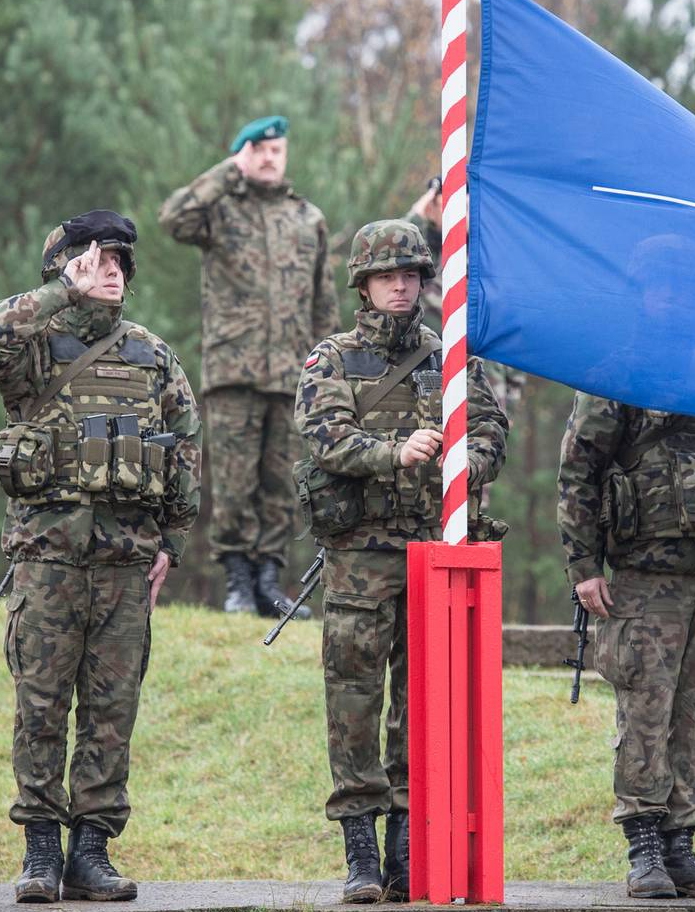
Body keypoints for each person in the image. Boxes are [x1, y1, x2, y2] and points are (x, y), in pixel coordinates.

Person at [0, 210, 201, 903]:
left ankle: (90, 852)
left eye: (120, 262)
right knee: (39, 704)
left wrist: (172, 545)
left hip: (126, 564)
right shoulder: (31, 351)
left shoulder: (152, 356)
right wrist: (62, 293)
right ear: (65, 267)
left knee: (110, 708)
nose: (112, 272)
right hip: (50, 561)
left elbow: (182, 448)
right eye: (97, 260)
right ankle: (40, 852)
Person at [295, 219, 508, 902]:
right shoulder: (330, 358)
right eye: (388, 275)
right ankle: (360, 850)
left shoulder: (449, 356)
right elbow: (326, 440)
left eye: (412, 274)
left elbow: (489, 428)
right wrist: (395, 451)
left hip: (432, 552)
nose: (401, 285)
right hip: (361, 556)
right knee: (353, 700)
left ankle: (407, 849)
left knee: (424, 703)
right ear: (362, 283)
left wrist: (465, 464)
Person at [555, 395, 695, 900]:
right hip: (648, 578)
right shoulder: (620, 372)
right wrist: (584, 567)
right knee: (646, 713)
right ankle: (644, 845)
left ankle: (681, 845)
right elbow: (578, 470)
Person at [158, 114, 338, 616]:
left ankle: (268, 581)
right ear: (242, 154)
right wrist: (224, 171)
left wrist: (327, 372)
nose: (267, 158)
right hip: (233, 370)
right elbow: (174, 217)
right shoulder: (220, 211)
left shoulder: (308, 220)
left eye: (275, 150)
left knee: (280, 482)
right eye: (257, 150)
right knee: (235, 482)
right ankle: (237, 581)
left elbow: (324, 302)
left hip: (291, 373)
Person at [405, 177, 526, 421]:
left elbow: (514, 335)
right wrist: (418, 214)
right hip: (426, 388)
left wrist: (508, 406)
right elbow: (386, 255)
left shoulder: (493, 261)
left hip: (485, 391)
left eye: (467, 207)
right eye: (449, 206)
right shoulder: (421, 256)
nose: (460, 215)